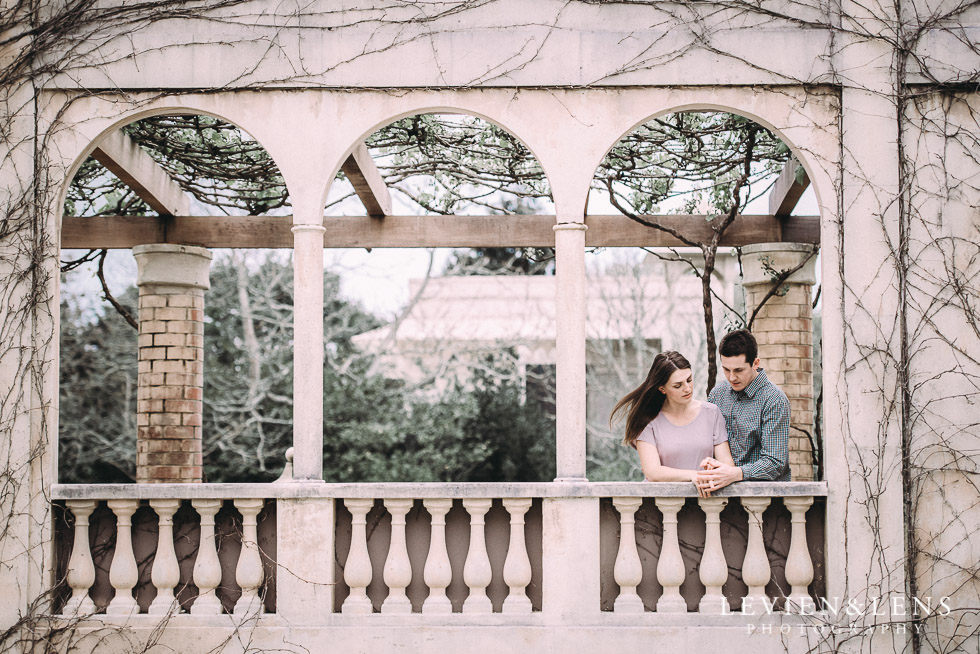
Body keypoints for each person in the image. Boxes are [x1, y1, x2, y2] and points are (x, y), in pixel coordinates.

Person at [611, 350, 735, 497]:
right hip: (660, 507)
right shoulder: (648, 421)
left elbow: (727, 464)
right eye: (678, 385)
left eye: (689, 380)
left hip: (705, 503)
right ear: (662, 388)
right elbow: (653, 472)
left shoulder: (712, 413)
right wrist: (694, 475)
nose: (687, 388)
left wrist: (714, 470)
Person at [696, 329, 791, 494]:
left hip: (763, 500)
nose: (732, 377)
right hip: (719, 496)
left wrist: (735, 474)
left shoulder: (774, 400)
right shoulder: (717, 394)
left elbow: (775, 463)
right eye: (726, 369)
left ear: (755, 363)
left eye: (738, 370)